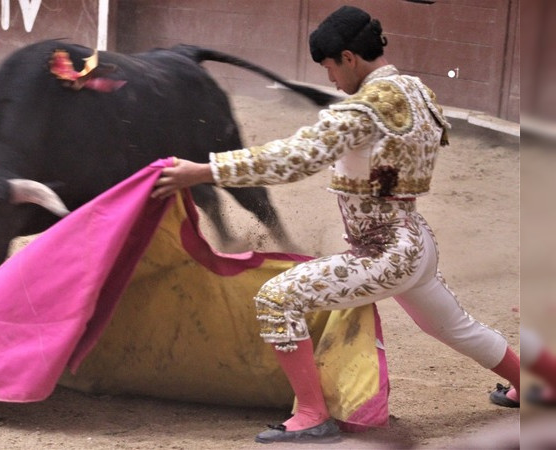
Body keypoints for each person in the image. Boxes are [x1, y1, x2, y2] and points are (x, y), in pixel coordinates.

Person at [152, 5, 521, 444]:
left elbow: (293, 159)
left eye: (329, 67)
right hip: (415, 241)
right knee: (454, 326)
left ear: (349, 58)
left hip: (384, 253)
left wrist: (204, 171)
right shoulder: (416, 90)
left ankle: (312, 414)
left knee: (277, 298)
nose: (330, 79)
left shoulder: (364, 110)